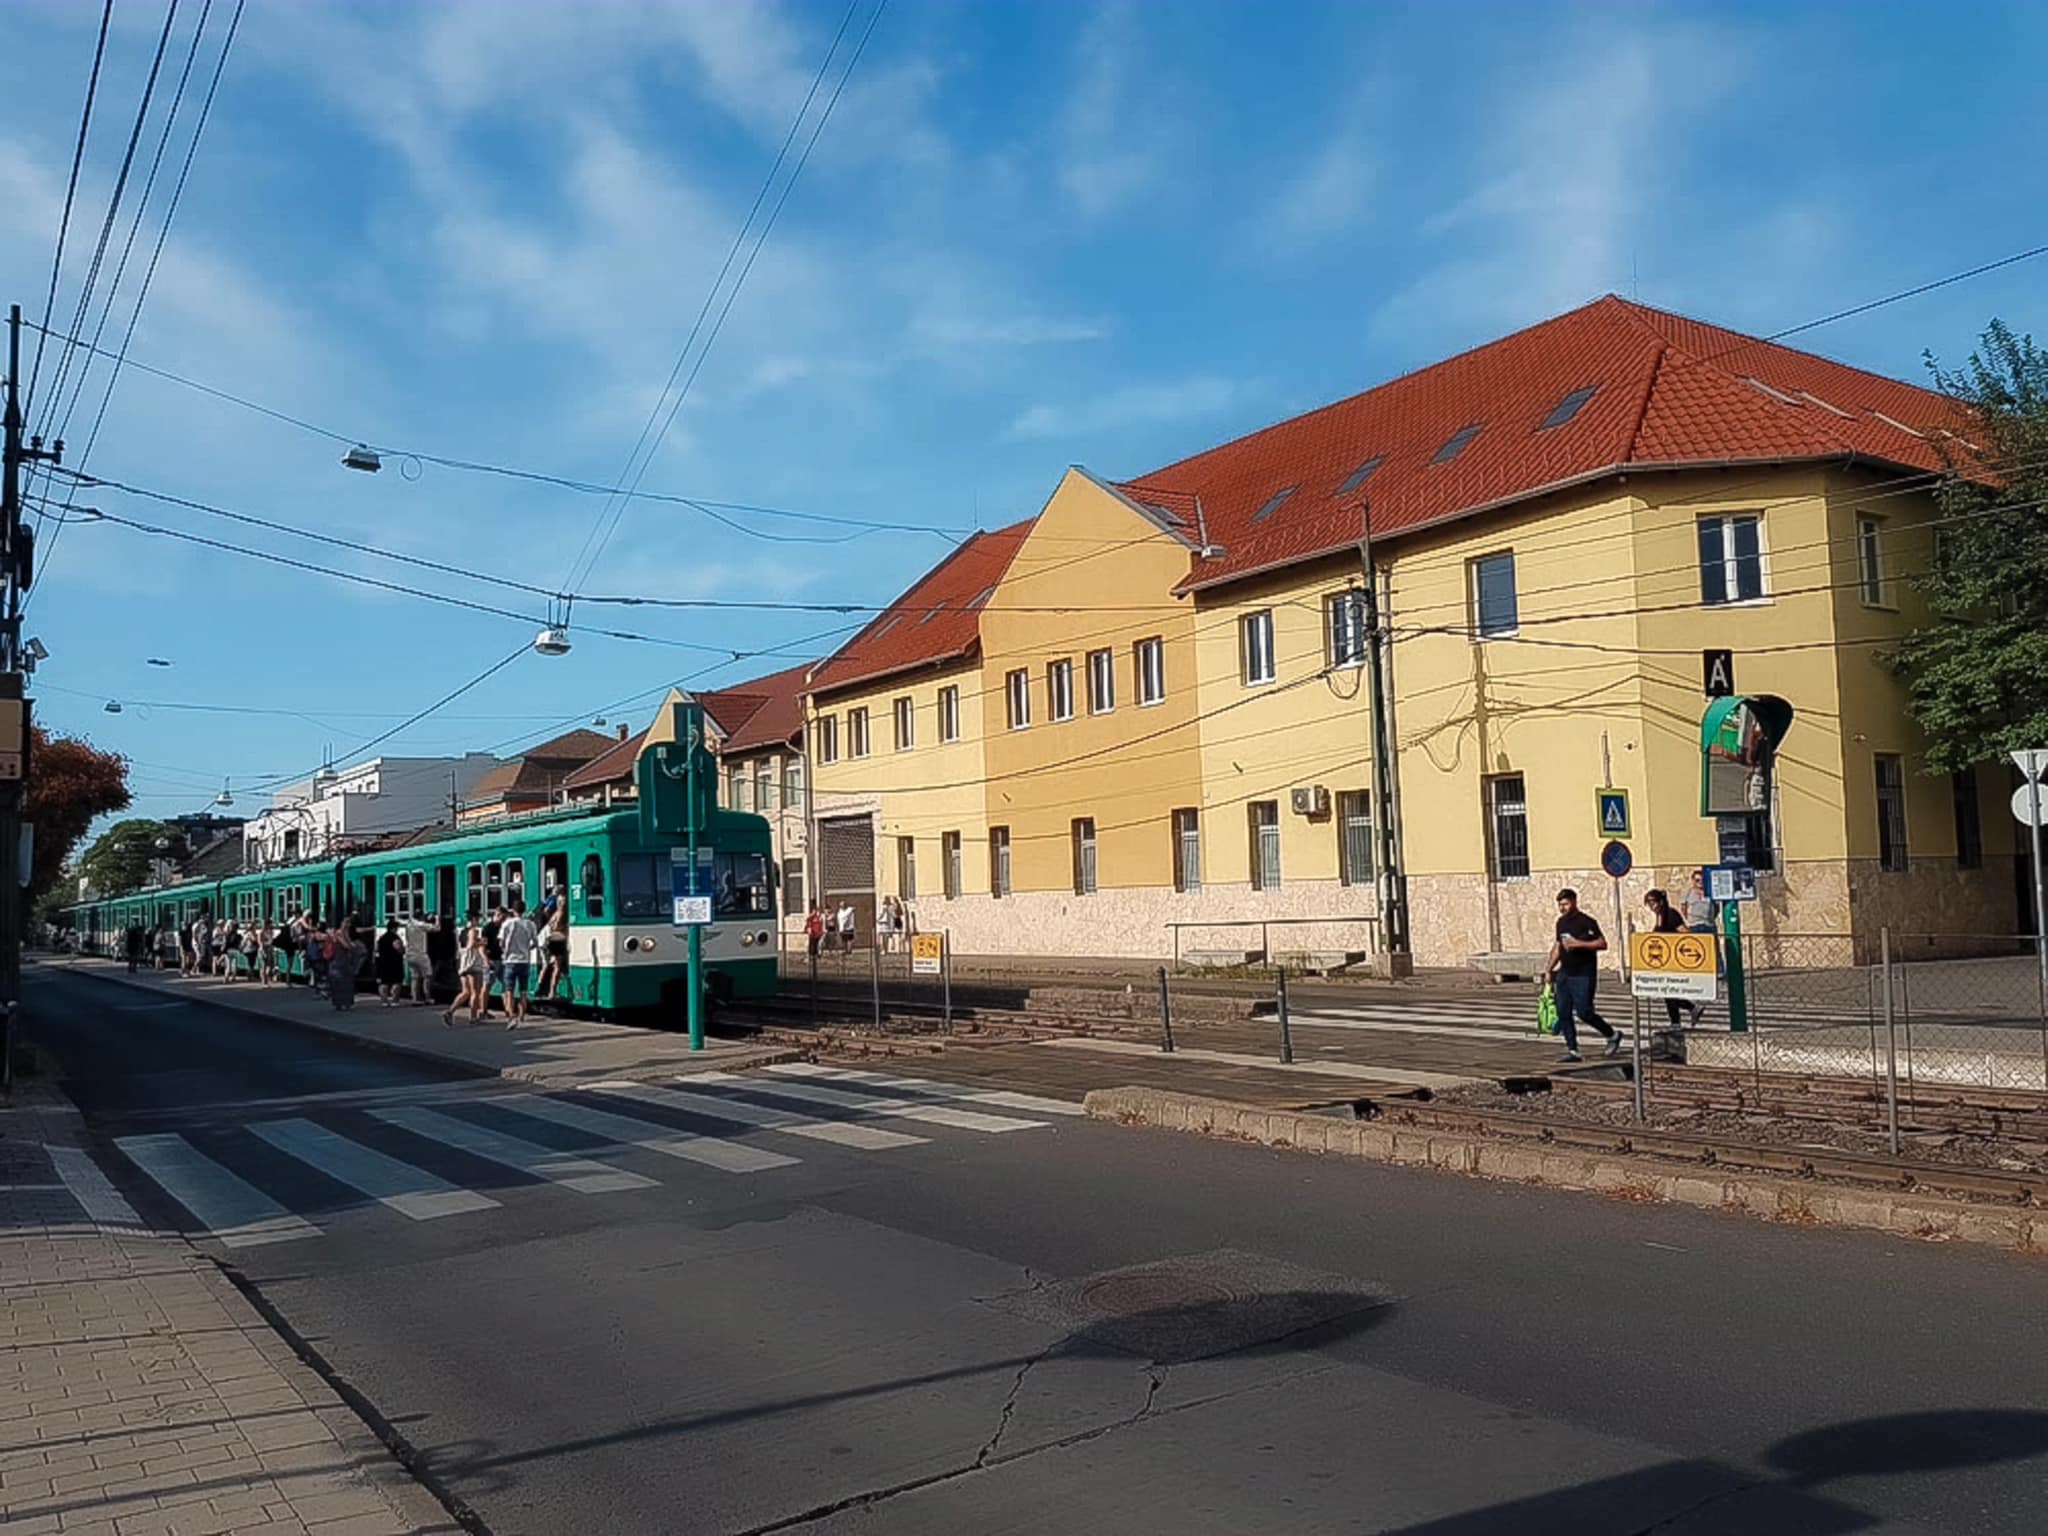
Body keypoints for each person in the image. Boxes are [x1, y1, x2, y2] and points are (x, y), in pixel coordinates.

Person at [1546, 888, 1620, 1063]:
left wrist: (1579, 943)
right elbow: (1558, 946)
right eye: (1560, 905)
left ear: (1574, 901)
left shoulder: (1586, 922)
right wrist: (1549, 969)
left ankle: (1612, 1034)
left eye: (1565, 904)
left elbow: (1602, 943)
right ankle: (1573, 1050)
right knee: (1563, 1011)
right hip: (1565, 973)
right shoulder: (1561, 922)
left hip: (1583, 974)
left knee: (1584, 1012)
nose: (1563, 908)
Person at [1643, 888, 1705, 1028]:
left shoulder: (1670, 914)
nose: (1652, 907)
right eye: (1649, 904)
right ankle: (1688, 1011)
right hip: (1664, 959)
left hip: (1674, 957)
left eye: (1653, 903)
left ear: (1661, 902)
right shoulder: (1660, 916)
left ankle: (1679, 1020)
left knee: (1669, 992)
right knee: (1668, 992)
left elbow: (1684, 931)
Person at [498, 898, 538, 1028]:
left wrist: (506, 950)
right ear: (524, 910)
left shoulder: (507, 924)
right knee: (523, 992)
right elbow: (535, 943)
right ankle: (521, 1018)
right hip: (524, 961)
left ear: (513, 910)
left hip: (510, 961)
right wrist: (526, 949)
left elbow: (501, 942)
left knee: (509, 991)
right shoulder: (530, 924)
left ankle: (511, 1017)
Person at [447, 917, 489, 1026]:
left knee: (466, 992)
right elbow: (471, 945)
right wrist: (482, 942)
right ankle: (473, 1017)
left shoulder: (462, 932)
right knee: (476, 992)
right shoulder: (473, 931)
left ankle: (450, 1012)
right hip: (473, 964)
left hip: (464, 964)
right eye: (478, 919)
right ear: (474, 919)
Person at [538, 895, 569, 1001]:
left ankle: (540, 987)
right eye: (562, 901)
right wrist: (565, 929)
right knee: (557, 966)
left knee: (548, 964)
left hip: (550, 940)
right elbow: (556, 928)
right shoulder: (561, 913)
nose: (563, 903)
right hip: (556, 940)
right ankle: (552, 991)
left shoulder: (556, 912)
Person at [403, 909, 434, 1005]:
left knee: (415, 978)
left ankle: (415, 999)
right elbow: (437, 928)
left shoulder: (409, 925)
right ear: (420, 917)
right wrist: (436, 919)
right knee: (427, 976)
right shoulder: (421, 925)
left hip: (410, 954)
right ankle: (427, 998)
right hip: (421, 955)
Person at [327, 923, 359, 1011]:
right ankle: (343, 1003)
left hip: (341, 962)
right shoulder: (339, 934)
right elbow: (347, 946)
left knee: (342, 983)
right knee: (342, 983)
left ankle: (341, 1003)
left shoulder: (341, 934)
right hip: (340, 963)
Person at [375, 918, 406, 1006]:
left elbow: (377, 949)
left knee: (384, 982)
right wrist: (403, 950)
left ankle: (384, 1001)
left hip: (382, 962)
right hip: (394, 962)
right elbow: (398, 948)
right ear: (394, 928)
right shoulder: (395, 937)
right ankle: (394, 1000)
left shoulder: (381, 938)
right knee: (397, 981)